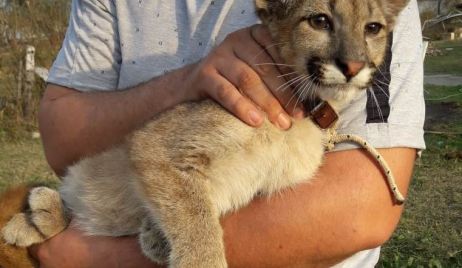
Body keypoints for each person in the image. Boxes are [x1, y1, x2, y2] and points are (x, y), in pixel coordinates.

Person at [30, 0, 425, 267]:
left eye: (373, 29)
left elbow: (362, 211)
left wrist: (99, 257)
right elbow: (63, 139)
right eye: (321, 21)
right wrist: (186, 83)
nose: (353, 59)